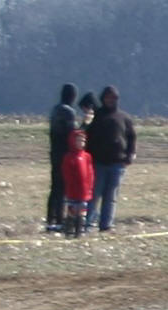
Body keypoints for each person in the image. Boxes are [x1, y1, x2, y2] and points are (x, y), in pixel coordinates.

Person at [84, 87, 137, 232]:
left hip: (117, 163)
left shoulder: (124, 117)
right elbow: (86, 137)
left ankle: (106, 225)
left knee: (111, 196)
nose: (110, 100)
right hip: (98, 163)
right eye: (108, 97)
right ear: (103, 98)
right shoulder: (97, 117)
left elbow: (132, 137)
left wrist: (130, 155)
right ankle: (87, 224)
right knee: (94, 195)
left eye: (113, 98)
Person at [45, 84, 81, 232]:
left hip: (54, 153)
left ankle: (50, 219)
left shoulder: (55, 110)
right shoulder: (69, 112)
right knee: (63, 189)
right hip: (65, 155)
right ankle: (60, 220)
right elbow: (74, 134)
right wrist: (85, 124)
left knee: (55, 189)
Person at [60, 130, 94, 238]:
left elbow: (90, 172)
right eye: (78, 141)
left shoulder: (87, 156)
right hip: (73, 190)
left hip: (84, 190)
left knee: (82, 211)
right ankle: (69, 230)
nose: (81, 143)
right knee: (72, 210)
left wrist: (90, 186)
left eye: (83, 141)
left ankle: (80, 231)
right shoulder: (69, 157)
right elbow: (66, 174)